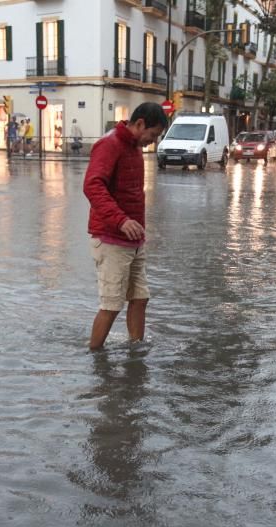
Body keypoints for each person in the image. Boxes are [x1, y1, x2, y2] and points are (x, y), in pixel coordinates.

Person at [83, 102, 169, 350]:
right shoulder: (109, 145)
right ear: (140, 124)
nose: (152, 142)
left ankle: (136, 352)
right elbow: (92, 186)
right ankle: (95, 356)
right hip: (110, 239)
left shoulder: (134, 147)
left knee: (140, 298)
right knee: (111, 305)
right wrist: (121, 221)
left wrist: (137, 227)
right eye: (152, 135)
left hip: (133, 240)